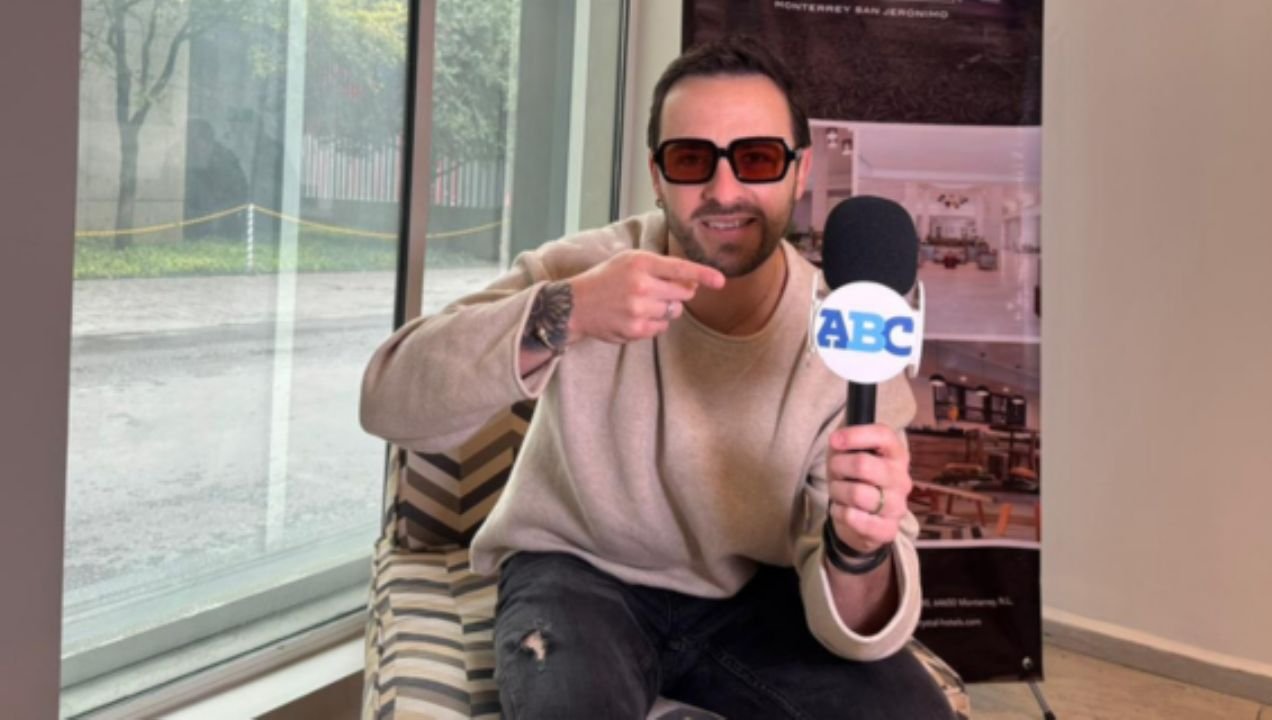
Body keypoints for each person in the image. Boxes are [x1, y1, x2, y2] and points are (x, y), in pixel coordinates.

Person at [361, 36, 954, 719]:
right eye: (692, 159)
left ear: (800, 171)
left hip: (757, 593)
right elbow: (387, 400)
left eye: (758, 158)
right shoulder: (586, 270)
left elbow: (854, 629)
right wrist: (569, 310)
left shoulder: (850, 340)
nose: (724, 191)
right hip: (574, 571)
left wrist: (856, 551)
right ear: (657, 173)